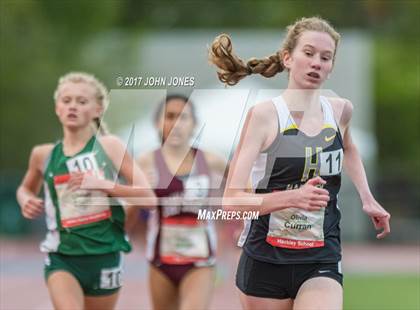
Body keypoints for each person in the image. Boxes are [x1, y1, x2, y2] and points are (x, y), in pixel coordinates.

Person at [209, 16, 391, 310]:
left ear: (331, 68)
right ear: (287, 58)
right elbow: (231, 201)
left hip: (321, 256)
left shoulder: (340, 111)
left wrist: (367, 198)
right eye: (308, 53)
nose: (316, 63)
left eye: (325, 57)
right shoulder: (264, 117)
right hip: (265, 259)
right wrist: (294, 197)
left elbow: (349, 148)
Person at [16, 72, 156, 310]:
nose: (72, 106)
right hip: (62, 257)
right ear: (57, 108)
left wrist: (102, 184)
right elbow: (25, 188)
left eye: (81, 102)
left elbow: (149, 199)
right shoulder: (43, 154)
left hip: (106, 254)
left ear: (98, 109)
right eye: (66, 100)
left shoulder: (110, 146)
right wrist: (25, 199)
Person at [136, 94, 226, 310]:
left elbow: (245, 190)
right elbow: (130, 211)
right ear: (158, 123)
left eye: (183, 117)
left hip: (200, 261)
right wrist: (139, 193)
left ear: (194, 124)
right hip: (161, 261)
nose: (176, 123)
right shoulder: (145, 161)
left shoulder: (213, 161)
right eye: (170, 116)